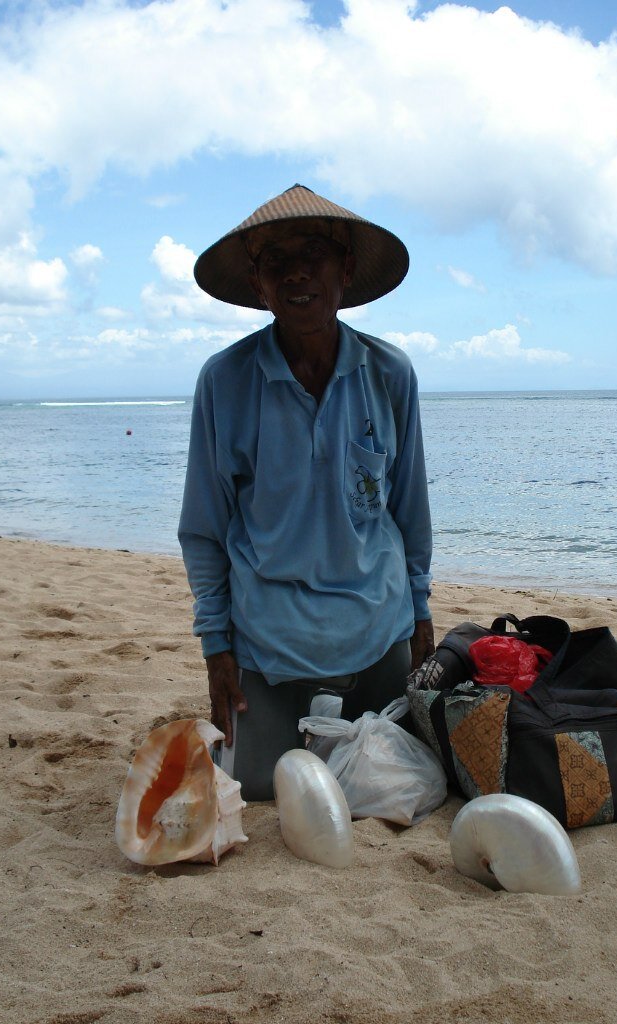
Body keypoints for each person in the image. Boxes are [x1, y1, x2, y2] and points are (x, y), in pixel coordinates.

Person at [178, 185, 434, 800]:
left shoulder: (390, 374)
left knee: (400, 784)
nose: (297, 271)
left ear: (345, 270)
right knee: (264, 788)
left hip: (379, 633)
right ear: (257, 282)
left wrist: (421, 615)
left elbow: (410, 509)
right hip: (269, 645)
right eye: (276, 259)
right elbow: (204, 528)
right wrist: (217, 647)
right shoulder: (226, 381)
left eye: (314, 252)